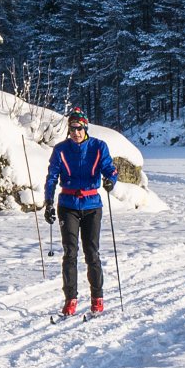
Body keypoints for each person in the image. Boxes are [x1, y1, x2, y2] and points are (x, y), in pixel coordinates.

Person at [44, 108, 119, 318]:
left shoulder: (98, 146)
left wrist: (110, 181)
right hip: (67, 204)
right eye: (72, 128)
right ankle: (71, 299)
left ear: (85, 128)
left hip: (92, 205)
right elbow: (52, 176)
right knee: (69, 253)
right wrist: (48, 202)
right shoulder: (60, 150)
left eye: (79, 128)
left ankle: (97, 298)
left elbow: (110, 169)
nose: (75, 132)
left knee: (91, 253)